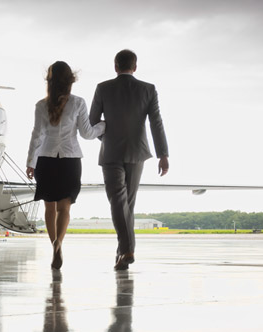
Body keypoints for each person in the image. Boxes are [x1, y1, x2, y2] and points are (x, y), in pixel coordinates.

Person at [90, 49, 169, 271]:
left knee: (118, 201)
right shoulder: (148, 90)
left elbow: (93, 122)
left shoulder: (103, 88)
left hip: (111, 153)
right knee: (128, 204)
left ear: (115, 66)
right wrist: (163, 154)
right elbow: (156, 123)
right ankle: (125, 251)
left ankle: (124, 250)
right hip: (138, 153)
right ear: (135, 67)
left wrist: (108, 138)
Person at [26, 61, 105, 270]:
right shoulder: (78, 103)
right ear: (70, 80)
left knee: (49, 208)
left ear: (49, 81)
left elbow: (37, 136)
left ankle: (53, 245)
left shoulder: (40, 105)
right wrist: (104, 125)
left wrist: (30, 163)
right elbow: (88, 134)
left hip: (45, 159)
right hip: (70, 160)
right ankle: (59, 242)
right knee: (64, 207)